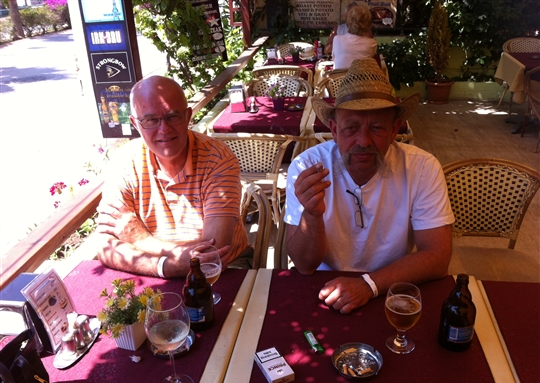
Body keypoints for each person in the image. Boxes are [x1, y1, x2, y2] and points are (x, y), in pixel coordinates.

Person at [285, 58, 454, 314]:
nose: (363, 141)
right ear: (334, 130)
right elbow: (305, 266)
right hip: (325, 290)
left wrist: (368, 285)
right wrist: (312, 214)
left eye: (377, 128)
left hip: (394, 288)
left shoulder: (422, 167)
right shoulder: (307, 167)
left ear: (394, 130)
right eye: (351, 128)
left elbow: (437, 257)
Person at [95, 75, 250, 278]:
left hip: (224, 272)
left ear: (187, 116)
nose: (164, 129)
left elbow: (213, 253)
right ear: (135, 123)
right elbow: (105, 246)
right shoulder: (123, 163)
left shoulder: (217, 158)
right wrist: (167, 266)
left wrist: (139, 239)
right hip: (154, 273)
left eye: (172, 116)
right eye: (151, 120)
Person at [331, 3, 378, 70]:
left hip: (339, 76)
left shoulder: (337, 39)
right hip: (361, 76)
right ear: (368, 24)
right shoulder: (372, 43)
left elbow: (334, 59)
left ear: (348, 21)